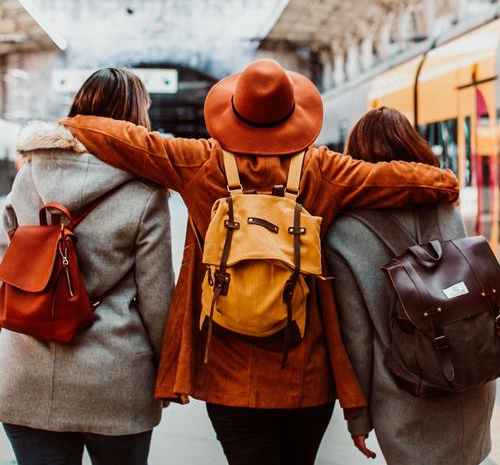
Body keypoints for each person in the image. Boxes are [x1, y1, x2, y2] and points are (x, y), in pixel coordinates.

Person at [60, 59, 460, 465]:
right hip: (305, 376)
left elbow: (118, 136)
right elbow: (409, 179)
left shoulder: (199, 161)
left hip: (226, 374)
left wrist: (71, 124)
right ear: (293, 115)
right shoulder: (324, 169)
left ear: (233, 112)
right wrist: (447, 182)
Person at [0, 68, 174, 465]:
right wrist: (168, 369)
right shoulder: (145, 190)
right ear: (136, 120)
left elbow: (10, 256)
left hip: (27, 370)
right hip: (114, 380)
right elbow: (157, 297)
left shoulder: (28, 174)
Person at [324, 107, 496, 465]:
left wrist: (358, 417)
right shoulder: (444, 204)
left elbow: (357, 337)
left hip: (407, 394)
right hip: (470, 374)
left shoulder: (344, 231)